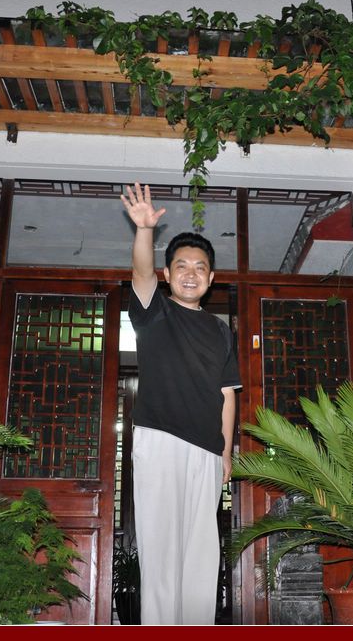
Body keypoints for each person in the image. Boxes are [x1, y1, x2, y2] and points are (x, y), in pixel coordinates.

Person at [120, 182, 241, 625]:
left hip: (207, 451)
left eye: (200, 267)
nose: (191, 274)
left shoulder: (221, 331)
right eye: (182, 266)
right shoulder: (155, 313)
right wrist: (144, 231)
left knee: (202, 553)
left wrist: (225, 453)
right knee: (161, 549)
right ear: (168, 275)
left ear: (211, 278)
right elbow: (140, 274)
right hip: (159, 440)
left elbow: (227, 393)